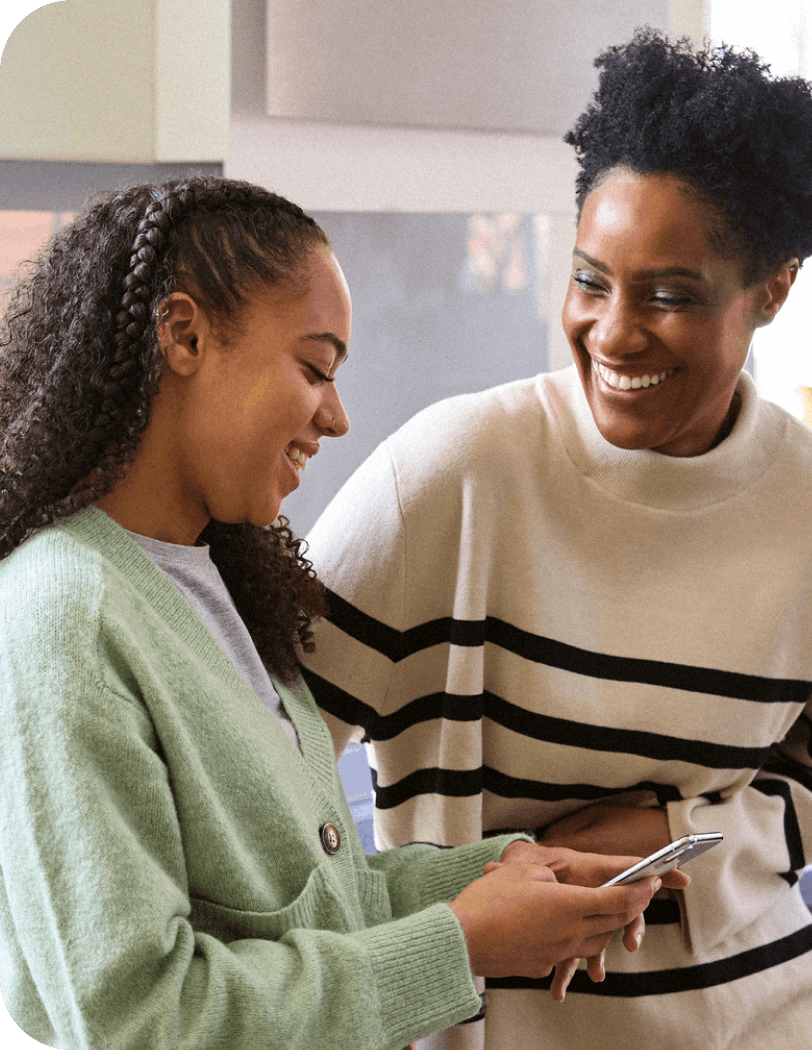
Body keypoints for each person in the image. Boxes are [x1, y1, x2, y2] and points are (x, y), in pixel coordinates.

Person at [301, 30, 812, 1050]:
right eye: (591, 281)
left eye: (669, 296)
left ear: (773, 288)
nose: (613, 332)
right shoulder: (448, 478)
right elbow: (252, 765)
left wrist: (672, 840)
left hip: (764, 1019)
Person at [0, 175, 687, 1050]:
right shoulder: (65, 613)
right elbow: (134, 1018)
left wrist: (504, 876)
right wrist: (463, 941)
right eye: (314, 367)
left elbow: (306, 904)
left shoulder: (212, 584)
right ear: (183, 335)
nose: (337, 414)